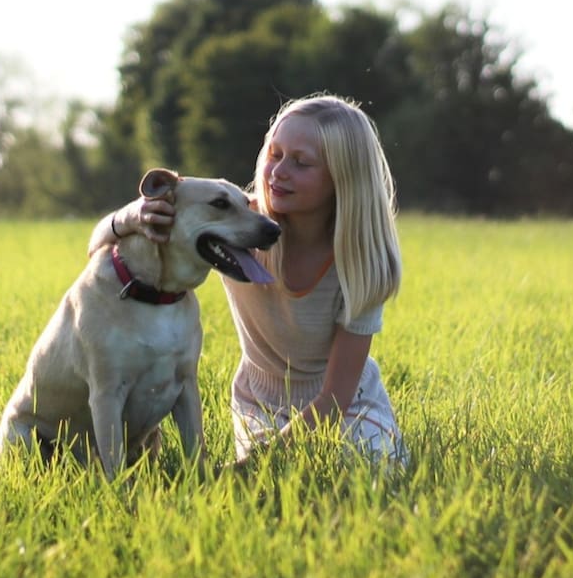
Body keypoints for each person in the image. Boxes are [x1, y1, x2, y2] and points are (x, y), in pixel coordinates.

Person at [89, 93, 405, 465]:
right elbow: (99, 244)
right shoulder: (234, 223)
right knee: (275, 481)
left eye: (301, 163)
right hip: (261, 403)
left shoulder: (362, 260)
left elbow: (335, 398)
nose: (278, 171)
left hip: (348, 404)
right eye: (274, 154)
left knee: (365, 466)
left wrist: (251, 464)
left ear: (343, 178)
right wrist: (131, 216)